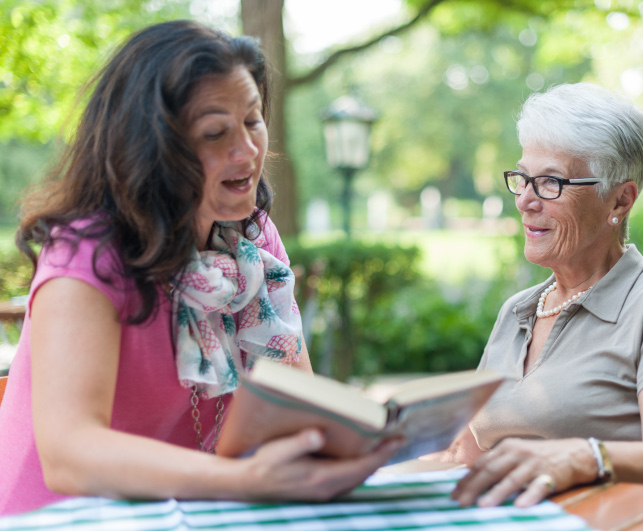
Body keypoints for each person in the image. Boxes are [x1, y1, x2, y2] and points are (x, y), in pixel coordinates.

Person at [0, 20, 400, 516]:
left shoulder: (253, 238)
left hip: (200, 512)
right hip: (71, 518)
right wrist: (246, 479)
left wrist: (371, 436)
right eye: (216, 133)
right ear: (152, 148)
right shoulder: (87, 254)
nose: (248, 151)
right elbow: (70, 456)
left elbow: (299, 404)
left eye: (252, 121)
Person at [441, 83, 643, 508]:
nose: (526, 201)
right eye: (523, 179)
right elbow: (467, 456)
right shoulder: (517, 311)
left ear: (620, 200)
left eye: (550, 182)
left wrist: (580, 456)